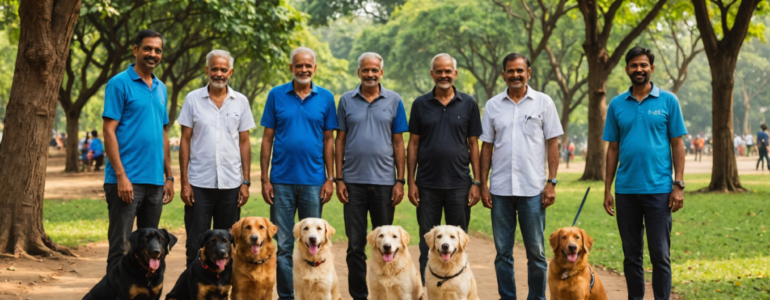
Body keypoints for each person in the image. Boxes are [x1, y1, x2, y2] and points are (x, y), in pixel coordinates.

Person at [603, 47, 686, 300]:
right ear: (627, 69)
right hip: (626, 190)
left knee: (660, 254)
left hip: (659, 190)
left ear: (651, 68)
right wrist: (607, 188)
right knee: (631, 256)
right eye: (634, 65)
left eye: (643, 65)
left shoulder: (668, 101)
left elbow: (677, 144)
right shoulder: (616, 104)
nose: (639, 69)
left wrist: (678, 184)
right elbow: (613, 148)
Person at [479, 53, 563, 300]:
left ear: (528, 72)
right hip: (501, 190)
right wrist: (483, 184)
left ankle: (536, 298)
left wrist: (552, 181)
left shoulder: (543, 102)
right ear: (503, 74)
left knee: (536, 253)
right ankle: (508, 297)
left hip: (533, 190)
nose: (515, 75)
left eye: (519, 70)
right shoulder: (493, 105)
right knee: (503, 252)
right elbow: (487, 147)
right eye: (510, 71)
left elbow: (553, 143)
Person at [259, 46, 337, 300]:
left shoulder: (325, 97)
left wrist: (329, 177)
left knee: (314, 243)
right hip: (280, 181)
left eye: (308, 65)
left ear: (314, 68)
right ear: (291, 68)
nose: (303, 69)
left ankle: (312, 292)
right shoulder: (276, 95)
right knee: (283, 245)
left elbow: (329, 140)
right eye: (298, 65)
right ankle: (287, 296)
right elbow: (267, 139)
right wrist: (264, 178)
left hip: (314, 182)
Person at [335, 52, 408, 300]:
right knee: (356, 246)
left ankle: (386, 292)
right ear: (359, 72)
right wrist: (339, 178)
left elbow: (399, 142)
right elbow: (340, 140)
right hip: (352, 183)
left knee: (386, 245)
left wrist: (400, 180)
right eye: (365, 70)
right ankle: (359, 296)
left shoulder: (395, 100)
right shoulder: (345, 100)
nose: (370, 74)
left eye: (374, 70)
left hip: (385, 184)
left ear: (381, 73)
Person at [102, 29, 174, 272]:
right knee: (121, 248)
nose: (153, 54)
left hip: (155, 183)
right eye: (148, 48)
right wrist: (121, 175)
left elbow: (162, 133)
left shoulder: (162, 88)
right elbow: (109, 130)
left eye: (158, 50)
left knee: (149, 250)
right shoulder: (119, 83)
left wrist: (170, 176)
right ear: (135, 50)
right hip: (126, 182)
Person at [406, 53, 482, 284]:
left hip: (460, 184)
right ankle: (429, 290)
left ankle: (456, 287)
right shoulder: (420, 104)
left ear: (455, 73)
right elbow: (414, 143)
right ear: (432, 74)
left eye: (448, 71)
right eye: (439, 71)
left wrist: (476, 182)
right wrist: (411, 181)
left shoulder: (468, 103)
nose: (443, 75)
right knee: (427, 242)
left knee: (457, 243)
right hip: (427, 185)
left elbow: (473, 145)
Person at [177, 50, 256, 266]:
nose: (219, 73)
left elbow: (244, 142)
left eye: (223, 70)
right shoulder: (193, 99)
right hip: (198, 183)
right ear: (207, 70)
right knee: (196, 243)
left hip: (231, 184)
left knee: (229, 242)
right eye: (214, 69)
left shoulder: (240, 101)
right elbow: (185, 140)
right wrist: (185, 182)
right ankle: (195, 290)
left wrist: (246, 182)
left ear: (230, 72)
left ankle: (223, 291)